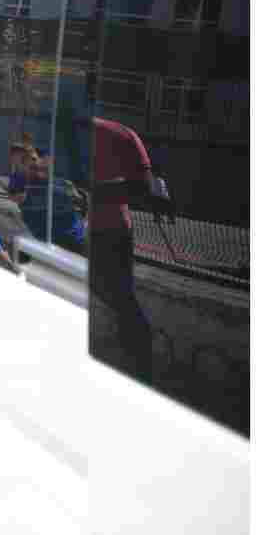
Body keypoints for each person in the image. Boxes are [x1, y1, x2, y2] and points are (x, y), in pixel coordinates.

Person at [89, 117, 167, 384]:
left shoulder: (120, 135)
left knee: (120, 300)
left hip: (109, 233)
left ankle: (140, 370)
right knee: (112, 297)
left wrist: (90, 191)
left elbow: (143, 187)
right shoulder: (122, 133)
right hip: (86, 228)